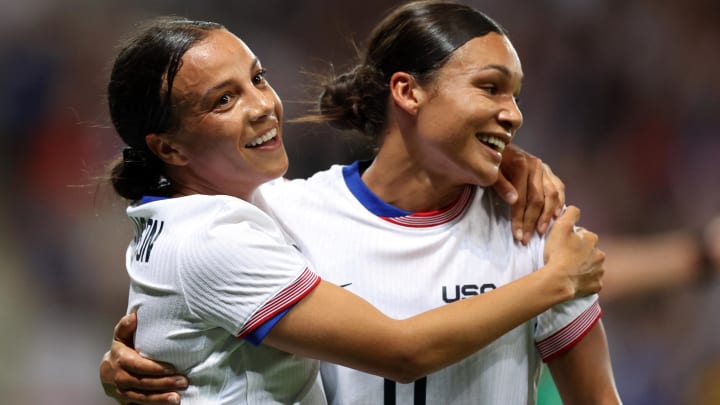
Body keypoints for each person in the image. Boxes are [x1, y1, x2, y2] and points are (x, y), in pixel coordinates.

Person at [99, 2, 618, 404]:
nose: (513, 115)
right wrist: (134, 359)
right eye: (490, 89)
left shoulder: (531, 225)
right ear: (407, 92)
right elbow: (402, 351)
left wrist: (140, 354)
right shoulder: (276, 216)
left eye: (258, 79)